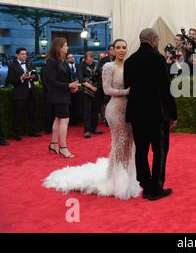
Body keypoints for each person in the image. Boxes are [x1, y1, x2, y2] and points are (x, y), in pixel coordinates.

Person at [43, 39, 141, 200]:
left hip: (130, 110)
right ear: (113, 50)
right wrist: (128, 91)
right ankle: (115, 179)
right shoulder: (109, 67)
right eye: (118, 47)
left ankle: (128, 176)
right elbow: (107, 90)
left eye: (124, 47)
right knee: (119, 142)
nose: (122, 50)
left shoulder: (130, 66)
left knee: (130, 143)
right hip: (115, 109)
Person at [124, 28, 178, 201]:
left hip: (136, 113)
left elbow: (128, 84)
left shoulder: (130, 60)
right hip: (157, 113)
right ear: (153, 40)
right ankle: (156, 188)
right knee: (160, 150)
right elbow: (165, 89)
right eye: (158, 40)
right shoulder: (158, 59)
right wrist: (173, 114)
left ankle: (145, 185)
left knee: (141, 150)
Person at [45, 38, 79, 158]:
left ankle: (54, 144)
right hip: (56, 95)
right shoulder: (51, 61)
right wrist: (68, 85)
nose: (67, 47)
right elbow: (52, 81)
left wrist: (72, 86)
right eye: (65, 45)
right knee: (64, 120)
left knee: (58, 119)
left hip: (64, 94)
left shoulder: (63, 61)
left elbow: (65, 79)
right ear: (59, 47)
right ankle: (63, 148)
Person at [6, 47, 42, 141]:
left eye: (25, 54)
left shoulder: (30, 64)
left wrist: (32, 77)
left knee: (32, 113)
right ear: (17, 55)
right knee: (18, 115)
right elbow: (9, 80)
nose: (24, 56)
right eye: (22, 54)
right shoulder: (12, 66)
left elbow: (37, 78)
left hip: (31, 92)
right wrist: (21, 78)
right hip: (19, 94)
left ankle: (33, 131)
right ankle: (17, 133)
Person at [78, 52, 103, 138]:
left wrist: (97, 86)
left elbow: (100, 77)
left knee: (95, 110)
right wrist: (91, 87)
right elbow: (81, 79)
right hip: (86, 91)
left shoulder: (96, 65)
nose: (90, 61)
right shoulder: (81, 65)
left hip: (96, 90)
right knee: (87, 110)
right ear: (85, 59)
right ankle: (87, 130)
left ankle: (94, 128)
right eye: (89, 60)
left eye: (92, 59)